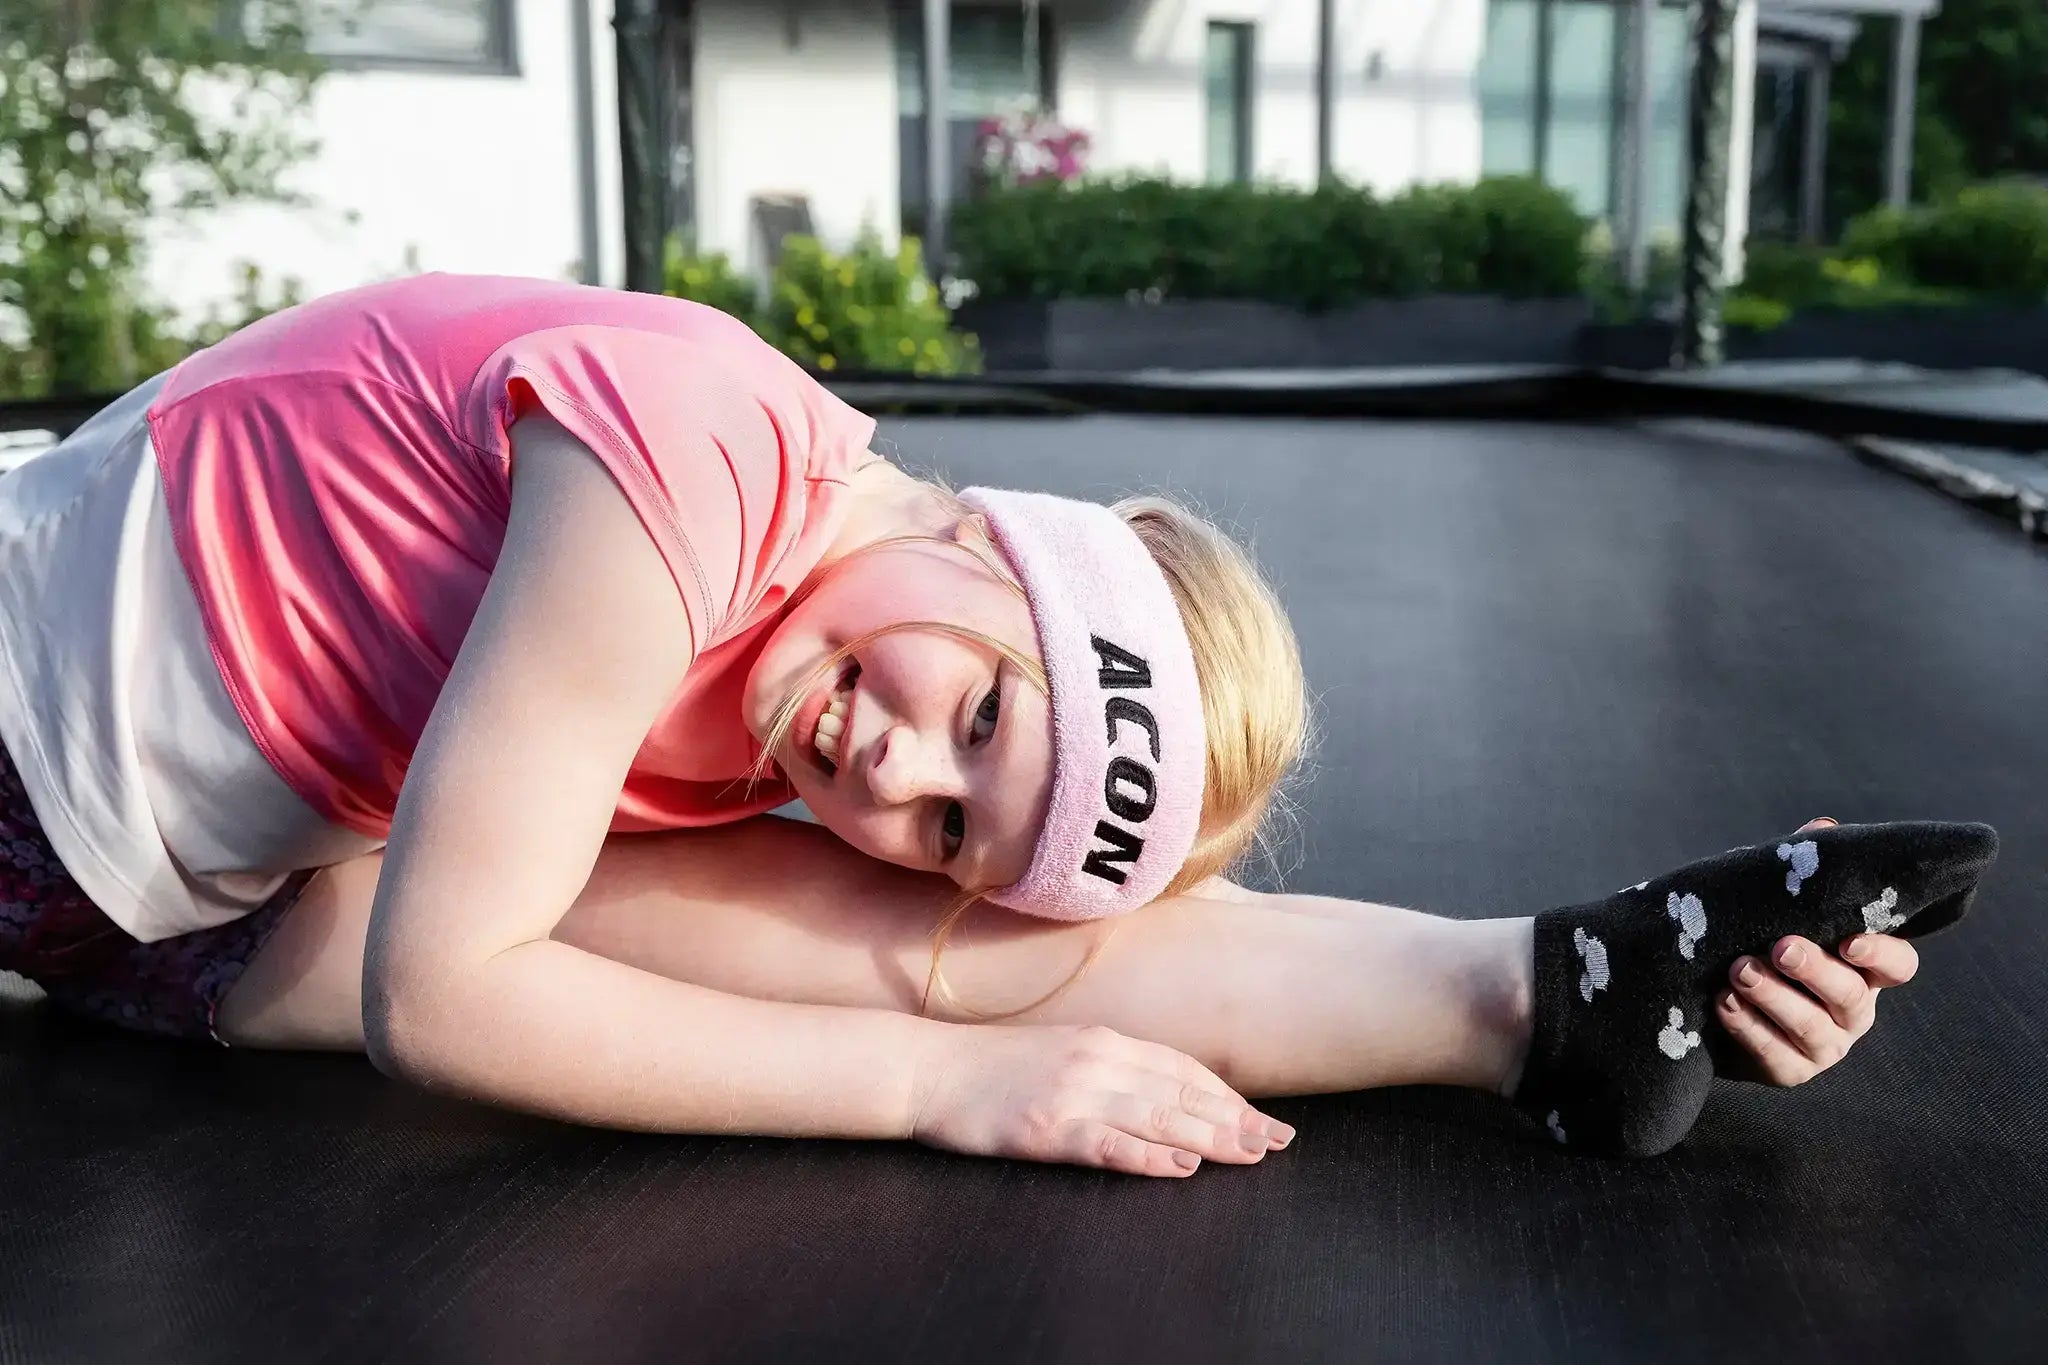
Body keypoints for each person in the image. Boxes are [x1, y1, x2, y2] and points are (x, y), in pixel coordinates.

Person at [0, 274, 1994, 1172]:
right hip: (51, 784)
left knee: (953, 935)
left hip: (181, 895)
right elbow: (443, 1003)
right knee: (723, 962)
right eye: (976, 702)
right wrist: (939, 1085)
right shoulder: (680, 468)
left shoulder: (842, 652)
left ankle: (1556, 990)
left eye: (957, 808)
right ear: (981, 541)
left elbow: (987, 885)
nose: (893, 765)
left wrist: (1690, 983)